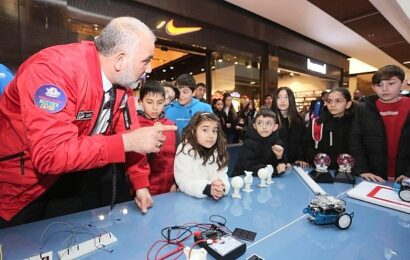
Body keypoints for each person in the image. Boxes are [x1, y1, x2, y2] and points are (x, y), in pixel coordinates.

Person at [0, 17, 177, 227]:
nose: (148, 69)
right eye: (146, 60)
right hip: (20, 188)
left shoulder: (123, 87)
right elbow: (50, 154)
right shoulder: (53, 70)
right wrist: (125, 143)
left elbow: (130, 133)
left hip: (71, 179)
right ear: (120, 59)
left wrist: (140, 184)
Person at [350, 65, 410, 183]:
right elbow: (355, 141)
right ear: (373, 87)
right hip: (373, 176)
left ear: (403, 83)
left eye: (391, 83)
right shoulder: (363, 109)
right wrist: (362, 170)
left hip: (405, 177)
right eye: (379, 85)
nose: (384, 89)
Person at [174, 112, 230, 199]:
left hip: (211, 202)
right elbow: (184, 181)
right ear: (194, 131)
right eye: (205, 130)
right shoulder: (185, 149)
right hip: (188, 201)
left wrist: (221, 186)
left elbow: (222, 174)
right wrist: (207, 189)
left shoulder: (219, 149)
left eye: (214, 131)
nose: (211, 135)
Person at [137, 80, 177, 195]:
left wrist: (176, 183)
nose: (155, 107)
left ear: (165, 102)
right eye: (149, 102)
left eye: (160, 102)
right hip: (144, 190)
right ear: (140, 102)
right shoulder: (135, 127)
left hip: (170, 188)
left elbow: (178, 158)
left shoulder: (171, 126)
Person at [303, 88, 355, 170]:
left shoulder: (355, 124)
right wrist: (316, 159)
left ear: (348, 104)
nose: (332, 105)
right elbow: (307, 145)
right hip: (320, 170)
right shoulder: (318, 123)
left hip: (348, 171)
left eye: (338, 101)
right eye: (329, 101)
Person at [233, 108, 286, 176]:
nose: (264, 127)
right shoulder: (249, 143)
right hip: (244, 179)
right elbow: (248, 167)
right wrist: (274, 171)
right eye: (260, 123)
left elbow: (281, 166)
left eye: (268, 123)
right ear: (255, 126)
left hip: (268, 180)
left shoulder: (278, 143)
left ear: (275, 127)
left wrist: (280, 157)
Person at [273, 87, 308, 167]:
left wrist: (301, 158)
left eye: (286, 97)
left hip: (295, 165)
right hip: (275, 165)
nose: (282, 101)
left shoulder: (299, 120)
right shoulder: (269, 119)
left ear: (291, 99)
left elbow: (303, 143)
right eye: (279, 97)